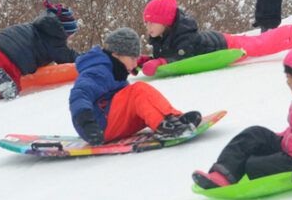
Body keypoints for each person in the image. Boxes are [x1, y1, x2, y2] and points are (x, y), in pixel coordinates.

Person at [191, 44, 292, 189]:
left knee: (253, 165)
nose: (288, 81)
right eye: (287, 76)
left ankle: (240, 169)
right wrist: (270, 140)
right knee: (255, 133)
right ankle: (220, 175)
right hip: (290, 146)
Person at [136, 0, 292, 75]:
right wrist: (147, 60)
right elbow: (170, 55)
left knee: (258, 45)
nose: (148, 28)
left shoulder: (183, 36)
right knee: (254, 42)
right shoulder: (161, 36)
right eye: (146, 23)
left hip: (223, 44)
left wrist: (160, 62)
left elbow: (182, 58)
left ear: (166, 22)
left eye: (152, 23)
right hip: (214, 40)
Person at [68, 27, 202, 144]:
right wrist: (86, 122)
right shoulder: (98, 70)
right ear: (116, 55)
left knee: (142, 100)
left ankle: (172, 118)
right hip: (96, 125)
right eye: (132, 59)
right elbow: (80, 93)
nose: (134, 65)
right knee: (138, 90)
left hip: (110, 121)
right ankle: (164, 128)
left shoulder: (116, 70)